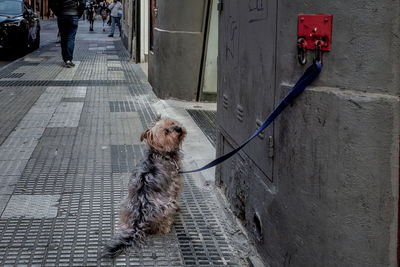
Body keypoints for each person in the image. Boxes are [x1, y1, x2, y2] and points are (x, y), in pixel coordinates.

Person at [49, 0, 85, 68]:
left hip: (62, 15)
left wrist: (58, 13)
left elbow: (52, 3)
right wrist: (78, 13)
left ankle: (65, 59)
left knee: (63, 37)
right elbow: (83, 3)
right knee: (71, 37)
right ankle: (68, 59)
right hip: (73, 14)